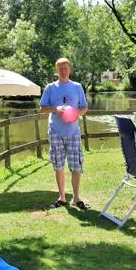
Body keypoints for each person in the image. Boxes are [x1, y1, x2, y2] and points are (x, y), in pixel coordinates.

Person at [39, 57, 89, 210]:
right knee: (58, 165)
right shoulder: (50, 88)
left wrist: (76, 113)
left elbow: (84, 108)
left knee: (76, 165)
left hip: (73, 132)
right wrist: (55, 109)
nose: (63, 71)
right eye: (60, 68)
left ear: (70, 69)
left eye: (65, 68)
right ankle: (61, 198)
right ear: (56, 70)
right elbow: (42, 108)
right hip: (55, 132)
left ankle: (76, 198)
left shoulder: (77, 86)